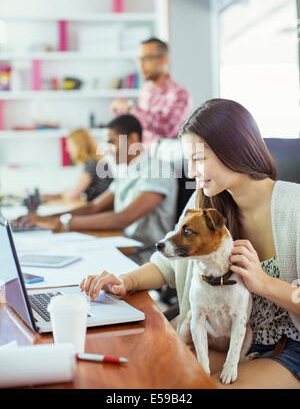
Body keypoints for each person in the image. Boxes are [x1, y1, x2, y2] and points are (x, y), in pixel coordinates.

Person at [80, 99, 300, 389]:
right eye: (188, 161)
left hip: (286, 350)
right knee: (150, 376)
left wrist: (264, 283)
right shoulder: (205, 202)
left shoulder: (294, 207)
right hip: (220, 340)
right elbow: (167, 265)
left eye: (198, 158)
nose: (192, 170)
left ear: (233, 148)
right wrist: (125, 281)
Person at [15, 115, 178, 247]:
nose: (106, 149)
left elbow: (123, 219)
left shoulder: (157, 170)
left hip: (144, 255)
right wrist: (42, 219)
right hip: (121, 243)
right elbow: (94, 207)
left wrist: (58, 223)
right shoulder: (125, 170)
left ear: (133, 139)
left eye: (111, 142)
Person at [111, 37, 192, 148]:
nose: (141, 65)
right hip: (144, 158)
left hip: (167, 160)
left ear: (164, 60)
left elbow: (167, 129)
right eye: (139, 59)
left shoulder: (179, 93)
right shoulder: (146, 90)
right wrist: (122, 111)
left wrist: (131, 108)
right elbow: (142, 127)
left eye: (147, 58)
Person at [42, 128, 113, 202]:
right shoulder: (96, 162)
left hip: (101, 210)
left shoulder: (92, 165)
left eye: (70, 145)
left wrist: (51, 197)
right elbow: (75, 191)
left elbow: (73, 194)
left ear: (79, 145)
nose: (67, 149)